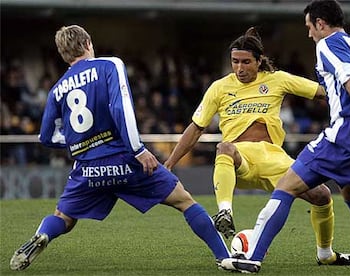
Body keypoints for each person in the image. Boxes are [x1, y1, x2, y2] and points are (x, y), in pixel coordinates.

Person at [9, 25, 230, 271]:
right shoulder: (109, 65)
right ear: (88, 43)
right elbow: (120, 108)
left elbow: (47, 137)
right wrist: (138, 149)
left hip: (88, 167)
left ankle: (42, 236)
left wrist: (79, 141)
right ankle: (224, 256)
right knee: (184, 201)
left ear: (63, 54)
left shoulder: (56, 90)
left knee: (63, 218)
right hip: (124, 158)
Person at [220, 0, 350, 273]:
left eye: (309, 27)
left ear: (321, 23)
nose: (309, 33)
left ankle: (251, 259)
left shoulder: (327, 44)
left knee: (287, 186)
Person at [164, 27, 350, 266]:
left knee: (322, 196)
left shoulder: (277, 79)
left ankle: (326, 255)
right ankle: (225, 212)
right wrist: (170, 162)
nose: (239, 68)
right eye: (235, 61)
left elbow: (323, 92)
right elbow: (196, 127)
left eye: (246, 62)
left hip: (274, 159)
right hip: (240, 159)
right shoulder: (219, 87)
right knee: (224, 147)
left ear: (259, 61)